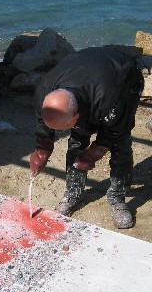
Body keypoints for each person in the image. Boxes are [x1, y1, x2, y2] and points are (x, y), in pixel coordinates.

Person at [29, 46, 144, 229]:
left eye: (62, 128)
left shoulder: (110, 100)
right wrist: (42, 149)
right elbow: (44, 124)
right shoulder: (44, 93)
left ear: (76, 115)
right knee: (77, 140)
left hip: (124, 76)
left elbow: (115, 132)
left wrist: (92, 155)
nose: (58, 132)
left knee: (119, 145)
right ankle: (74, 194)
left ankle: (117, 198)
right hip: (85, 69)